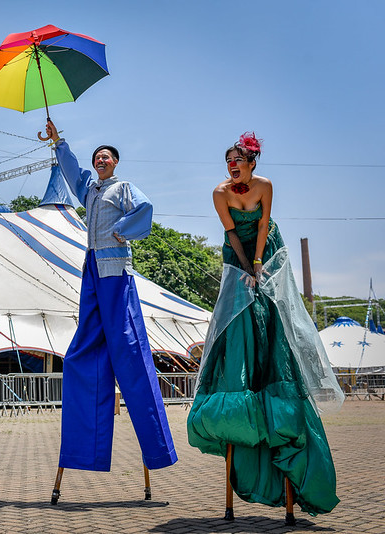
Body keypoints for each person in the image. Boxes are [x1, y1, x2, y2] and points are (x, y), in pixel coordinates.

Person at [186, 132, 344, 517]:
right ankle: (241, 403)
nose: (231, 165)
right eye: (227, 160)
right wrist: (242, 268)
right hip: (235, 254)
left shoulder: (264, 186)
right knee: (237, 321)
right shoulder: (220, 192)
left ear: (252, 162)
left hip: (267, 251)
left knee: (274, 320)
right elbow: (230, 233)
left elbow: (262, 225)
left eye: (237, 159)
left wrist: (258, 266)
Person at [46, 120, 178, 473]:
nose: (101, 160)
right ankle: (83, 453)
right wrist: (59, 142)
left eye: (106, 157)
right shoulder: (90, 190)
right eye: (97, 157)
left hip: (115, 270)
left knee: (129, 352)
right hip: (91, 269)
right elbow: (73, 172)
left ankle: (159, 449)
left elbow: (144, 210)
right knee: (80, 356)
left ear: (115, 162)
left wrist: (122, 231)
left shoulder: (123, 188)